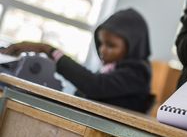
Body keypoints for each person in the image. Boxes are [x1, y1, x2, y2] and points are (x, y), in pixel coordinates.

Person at [1, 8, 154, 113]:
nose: (102, 50)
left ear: (133, 46)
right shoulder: (110, 69)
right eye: (101, 43)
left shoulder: (138, 73)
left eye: (111, 45)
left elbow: (94, 85)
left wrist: (47, 49)